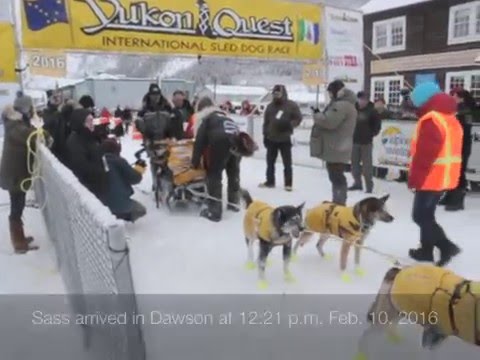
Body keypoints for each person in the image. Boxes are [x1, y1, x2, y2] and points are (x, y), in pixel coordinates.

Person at [408, 82, 463, 266]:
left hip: (430, 176)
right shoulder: (450, 117)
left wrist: (415, 180)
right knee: (427, 215)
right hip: (444, 175)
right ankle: (426, 250)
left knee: (420, 216)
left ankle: (446, 246)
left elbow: (425, 155)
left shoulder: (431, 119)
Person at [191, 96, 241, 222]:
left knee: (214, 175)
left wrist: (195, 162)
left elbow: (199, 142)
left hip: (219, 143)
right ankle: (233, 203)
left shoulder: (206, 119)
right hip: (236, 142)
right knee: (233, 174)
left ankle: (214, 211)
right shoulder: (225, 116)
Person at [0, 101, 40, 254]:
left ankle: (20, 237)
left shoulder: (13, 127)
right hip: (14, 176)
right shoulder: (15, 128)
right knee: (17, 207)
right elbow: (30, 135)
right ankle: (18, 242)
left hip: (15, 175)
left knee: (18, 205)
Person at [310, 80, 357, 205]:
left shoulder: (341, 105)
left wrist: (317, 115)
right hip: (338, 145)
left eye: (331, 92)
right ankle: (338, 200)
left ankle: (339, 202)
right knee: (336, 175)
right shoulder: (345, 104)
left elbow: (329, 122)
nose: (329, 95)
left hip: (336, 147)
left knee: (336, 176)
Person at [260, 84, 302, 191]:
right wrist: (265, 135)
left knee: (287, 163)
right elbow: (266, 122)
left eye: (278, 93)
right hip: (271, 138)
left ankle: (288, 184)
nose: (276, 95)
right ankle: (270, 181)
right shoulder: (270, 106)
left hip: (285, 138)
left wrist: (290, 124)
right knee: (270, 162)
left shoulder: (291, 105)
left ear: (283, 93)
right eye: (274, 94)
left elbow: (298, 118)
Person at [440, 88, 475, 211]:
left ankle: (458, 200)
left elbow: (463, 130)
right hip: (452, 145)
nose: (452, 97)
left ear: (461, 97)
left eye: (453, 95)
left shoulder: (465, 111)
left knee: (458, 172)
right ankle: (449, 195)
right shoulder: (455, 110)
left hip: (461, 145)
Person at [66, 108, 107, 203]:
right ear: (80, 123)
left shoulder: (89, 136)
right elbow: (82, 167)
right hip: (90, 190)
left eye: (92, 120)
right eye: (89, 121)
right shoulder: (75, 142)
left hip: (99, 186)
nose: (92, 124)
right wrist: (101, 171)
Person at [101, 138, 147, 222]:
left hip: (102, 203)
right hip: (120, 202)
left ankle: (116, 216)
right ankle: (121, 217)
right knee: (141, 210)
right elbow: (135, 178)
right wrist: (139, 168)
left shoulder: (97, 162)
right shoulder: (118, 161)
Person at [349, 91, 381, 193]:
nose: (363, 101)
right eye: (361, 99)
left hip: (366, 142)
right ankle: (357, 183)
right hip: (354, 141)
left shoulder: (372, 111)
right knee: (354, 165)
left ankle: (369, 186)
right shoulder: (353, 109)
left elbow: (377, 125)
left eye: (365, 100)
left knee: (367, 166)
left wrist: (371, 134)